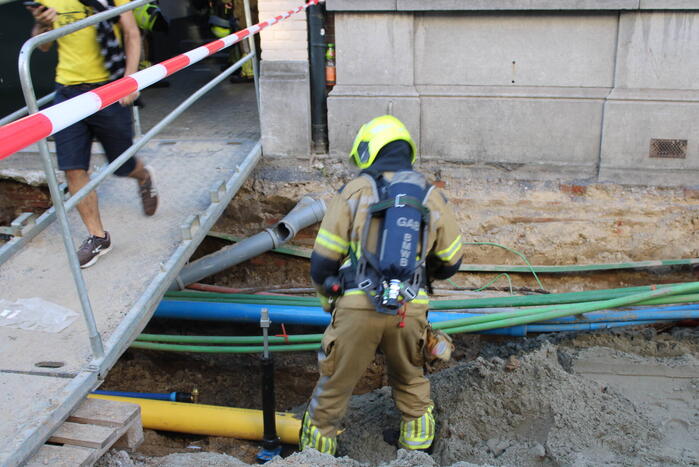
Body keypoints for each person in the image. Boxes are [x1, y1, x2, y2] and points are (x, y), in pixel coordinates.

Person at [299, 115, 463, 455]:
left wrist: (330, 302)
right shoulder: (431, 195)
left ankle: (315, 458)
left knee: (333, 388)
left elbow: (323, 262)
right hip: (409, 308)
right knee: (411, 380)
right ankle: (415, 454)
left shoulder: (356, 191)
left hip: (357, 307)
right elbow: (451, 262)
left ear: (369, 151)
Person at [28, 0, 158, 268]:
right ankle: (98, 237)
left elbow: (132, 32)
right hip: (67, 92)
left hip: (108, 88)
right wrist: (43, 23)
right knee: (73, 169)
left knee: (122, 166)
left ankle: (144, 176)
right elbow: (41, 44)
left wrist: (129, 79)